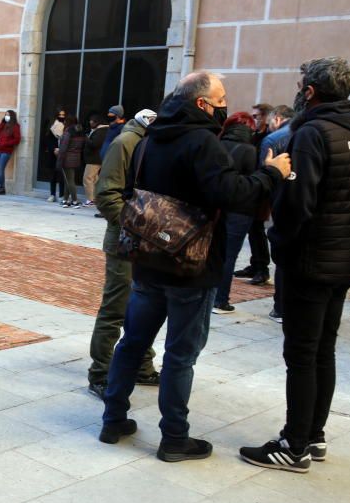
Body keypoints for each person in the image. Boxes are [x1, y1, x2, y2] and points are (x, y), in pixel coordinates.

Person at [99, 71, 291, 463]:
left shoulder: (151, 138)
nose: (224, 105)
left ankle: (113, 418)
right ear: (202, 104)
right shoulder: (202, 141)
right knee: (180, 354)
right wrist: (273, 173)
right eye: (221, 99)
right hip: (191, 263)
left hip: (150, 257)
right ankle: (174, 437)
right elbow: (232, 194)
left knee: (132, 342)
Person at [241, 57, 350, 473]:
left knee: (301, 354)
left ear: (311, 92)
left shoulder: (313, 132)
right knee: (323, 350)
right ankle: (314, 436)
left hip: (310, 258)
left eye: (301, 84)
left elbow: (298, 203)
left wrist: (277, 243)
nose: (298, 90)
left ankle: (294, 444)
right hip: (345, 258)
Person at [89, 108, 160, 399]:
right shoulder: (125, 143)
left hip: (149, 241)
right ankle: (101, 372)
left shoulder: (154, 143)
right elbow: (106, 196)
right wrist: (136, 225)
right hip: (124, 239)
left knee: (145, 307)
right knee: (116, 306)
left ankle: (142, 365)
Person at [212, 112, 259, 314]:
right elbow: (252, 182)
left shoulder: (217, 145)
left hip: (217, 205)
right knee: (229, 255)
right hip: (240, 209)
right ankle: (221, 300)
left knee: (213, 250)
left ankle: (210, 294)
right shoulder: (250, 150)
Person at [259, 104, 295, 323]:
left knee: (283, 259)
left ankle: (280, 308)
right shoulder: (310, 132)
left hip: (283, 205)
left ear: (278, 119)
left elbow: (263, 175)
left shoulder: (273, 140)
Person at [234, 102, 276, 286]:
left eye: (257, 116)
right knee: (252, 229)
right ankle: (254, 264)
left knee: (257, 229)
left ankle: (262, 268)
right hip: (252, 185)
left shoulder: (268, 138)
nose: (254, 119)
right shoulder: (253, 136)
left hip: (261, 188)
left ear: (266, 118)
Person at [54, 116, 84, 207]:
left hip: (67, 158)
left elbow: (63, 147)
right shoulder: (80, 132)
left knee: (70, 180)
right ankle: (65, 200)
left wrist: (59, 158)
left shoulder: (68, 132)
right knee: (68, 179)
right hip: (76, 158)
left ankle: (75, 201)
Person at [82, 113, 107, 204]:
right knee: (95, 179)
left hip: (94, 159)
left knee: (87, 178)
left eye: (91, 121)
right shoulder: (100, 130)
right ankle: (96, 198)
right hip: (96, 158)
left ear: (97, 122)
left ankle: (90, 199)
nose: (90, 122)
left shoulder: (101, 131)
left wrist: (87, 138)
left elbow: (95, 144)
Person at [44, 109, 66, 202]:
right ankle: (52, 194)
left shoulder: (67, 126)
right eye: (60, 114)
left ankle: (62, 195)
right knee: (52, 175)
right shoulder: (52, 126)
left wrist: (61, 149)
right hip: (52, 154)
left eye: (63, 115)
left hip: (63, 154)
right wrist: (54, 149)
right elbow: (48, 140)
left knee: (61, 176)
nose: (61, 116)